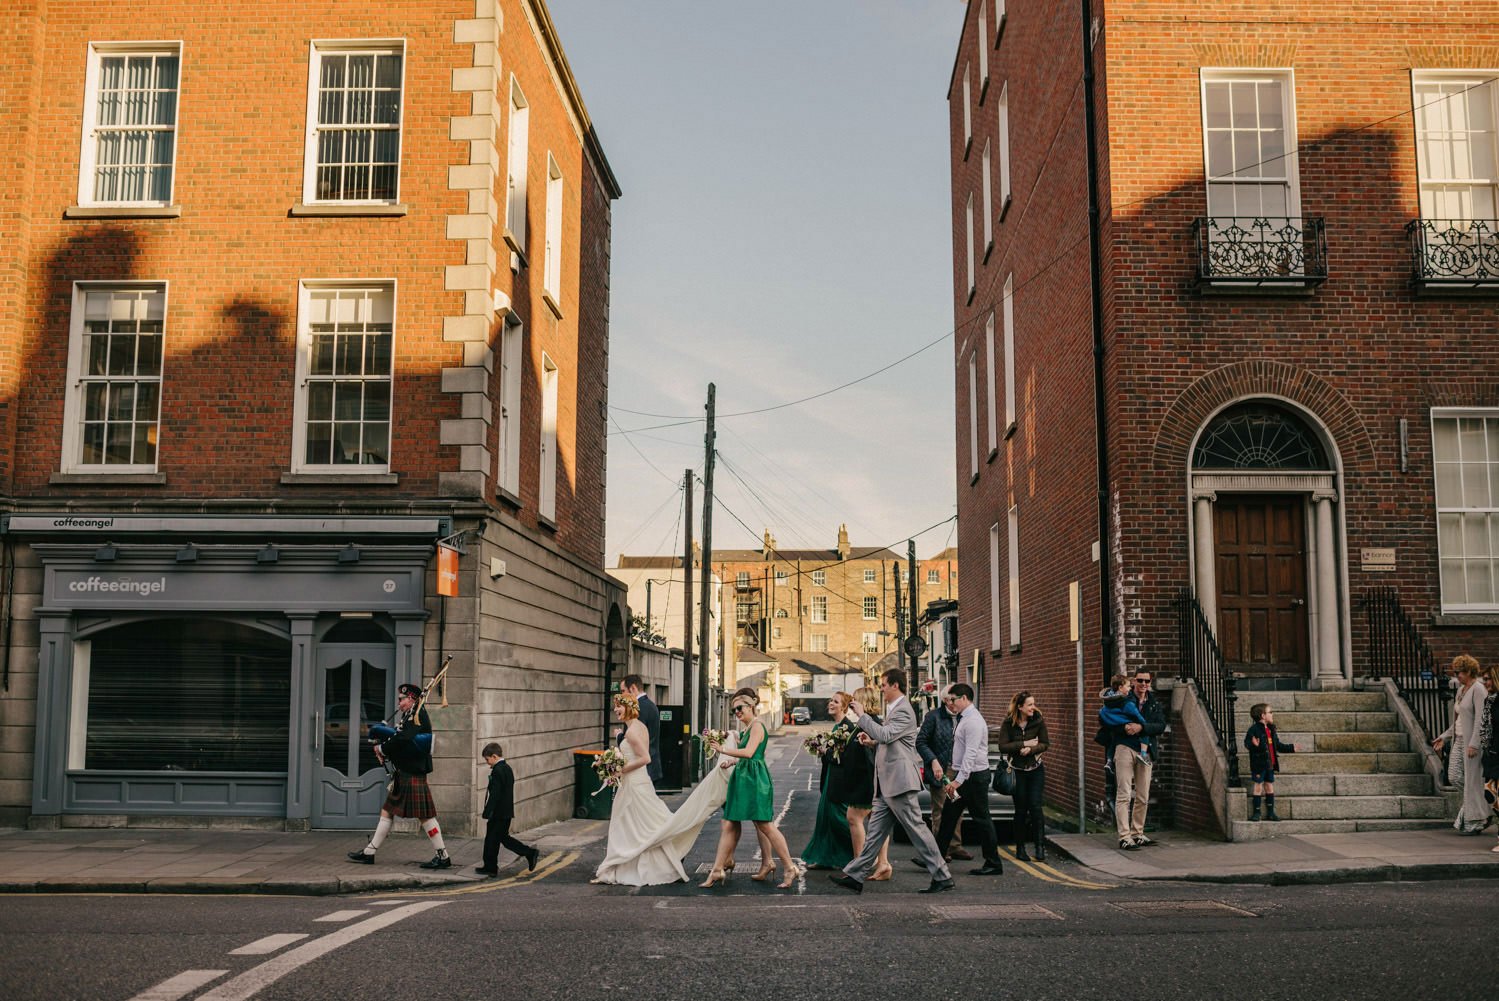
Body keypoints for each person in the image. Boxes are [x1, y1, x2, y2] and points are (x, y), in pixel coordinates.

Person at [829, 669, 955, 894]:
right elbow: (891, 741)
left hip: (900, 782)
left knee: (917, 830)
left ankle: (942, 876)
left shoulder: (904, 710)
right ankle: (856, 876)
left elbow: (886, 735)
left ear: (896, 685)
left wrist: (862, 716)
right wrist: (872, 742)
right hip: (887, 783)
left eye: (884, 685)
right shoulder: (895, 709)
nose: (882, 689)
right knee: (875, 834)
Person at [592, 694, 732, 885]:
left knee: (633, 826)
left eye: (619, 706)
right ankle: (667, 853)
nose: (615, 709)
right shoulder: (639, 727)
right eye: (615, 706)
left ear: (629, 707)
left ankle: (659, 855)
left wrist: (619, 770)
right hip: (640, 781)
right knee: (642, 825)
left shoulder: (632, 732)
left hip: (634, 784)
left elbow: (645, 758)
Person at [347, 682, 452, 869]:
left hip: (413, 772)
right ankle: (369, 852)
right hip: (405, 771)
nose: (399, 703)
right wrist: (384, 746)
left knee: (425, 816)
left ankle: (443, 856)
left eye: (401, 699)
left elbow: (404, 739)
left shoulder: (417, 714)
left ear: (411, 698)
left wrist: (382, 748)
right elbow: (399, 738)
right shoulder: (409, 714)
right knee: (387, 810)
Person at [703, 690, 800, 888]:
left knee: (765, 825)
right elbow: (746, 754)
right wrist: (732, 761)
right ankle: (718, 869)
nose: (737, 712)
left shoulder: (757, 726)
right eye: (734, 710)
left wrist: (722, 749)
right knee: (730, 821)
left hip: (755, 779)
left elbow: (749, 753)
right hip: (744, 777)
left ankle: (790, 867)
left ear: (751, 706)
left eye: (740, 708)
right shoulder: (748, 728)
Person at [932, 683, 1004, 875]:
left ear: (964, 698)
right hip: (966, 778)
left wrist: (958, 780)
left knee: (982, 819)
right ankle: (936, 859)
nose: (950, 703)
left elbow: (970, 754)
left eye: (953, 699)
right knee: (948, 817)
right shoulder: (965, 718)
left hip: (973, 779)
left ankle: (994, 863)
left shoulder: (973, 721)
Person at [830, 687, 893, 881]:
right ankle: (882, 864)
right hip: (868, 782)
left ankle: (859, 866)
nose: (852, 703)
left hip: (866, 783)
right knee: (878, 823)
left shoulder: (869, 724)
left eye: (855, 700)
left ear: (864, 701)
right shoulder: (868, 723)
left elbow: (871, 758)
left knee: (853, 818)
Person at [1434, 654, 1491, 835]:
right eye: (1456, 671)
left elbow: (1481, 719)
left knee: (1472, 780)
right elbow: (1459, 721)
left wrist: (1474, 744)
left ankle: (1477, 819)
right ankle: (1484, 810)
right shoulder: (1461, 690)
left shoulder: (1478, 689)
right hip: (1458, 740)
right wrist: (1444, 737)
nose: (1457, 675)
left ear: (1469, 671)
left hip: (1471, 743)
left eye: (1460, 672)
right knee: (1454, 776)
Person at [1110, 669, 1165, 851]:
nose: (1143, 684)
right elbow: (1108, 721)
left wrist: (1141, 728)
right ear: (1134, 681)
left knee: (1143, 795)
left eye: (1147, 681)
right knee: (1124, 793)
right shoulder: (1123, 699)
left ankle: (1137, 833)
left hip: (1146, 751)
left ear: (1150, 683)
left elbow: (1160, 725)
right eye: (1140, 680)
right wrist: (1124, 728)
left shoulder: (1153, 703)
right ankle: (1124, 837)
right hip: (1125, 747)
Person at [800, 693, 855, 870]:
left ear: (844, 707)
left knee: (838, 819)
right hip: (830, 777)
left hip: (839, 781)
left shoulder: (848, 727)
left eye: (835, 702)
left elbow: (845, 758)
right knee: (825, 820)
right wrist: (821, 749)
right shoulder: (837, 727)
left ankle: (864, 852)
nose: (831, 703)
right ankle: (825, 858)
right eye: (830, 700)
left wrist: (826, 752)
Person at [916, 684, 970, 861]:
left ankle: (955, 846)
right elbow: (921, 742)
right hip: (941, 770)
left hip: (958, 770)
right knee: (940, 810)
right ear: (945, 700)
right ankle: (940, 850)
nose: (955, 703)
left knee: (956, 809)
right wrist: (933, 761)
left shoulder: (964, 716)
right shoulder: (933, 717)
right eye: (952, 699)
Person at [997, 689, 1050, 861]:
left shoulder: (1038, 720)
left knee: (1036, 807)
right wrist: (1023, 744)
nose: (1033, 707)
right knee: (1020, 810)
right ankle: (1020, 848)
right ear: (1020, 707)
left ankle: (1039, 847)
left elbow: (1045, 744)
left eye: (1033, 704)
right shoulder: (1008, 723)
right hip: (1017, 771)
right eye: (1029, 705)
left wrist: (1032, 749)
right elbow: (1003, 746)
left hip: (1035, 770)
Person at [475, 742, 539, 876]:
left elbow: (495, 794)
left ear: (494, 756)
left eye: (487, 759)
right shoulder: (507, 768)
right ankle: (492, 866)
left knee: (492, 839)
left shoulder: (498, 771)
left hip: (498, 813)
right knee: (500, 838)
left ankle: (492, 867)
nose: (487, 763)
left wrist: (488, 811)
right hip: (505, 812)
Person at [1243, 703, 1296, 822]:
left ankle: (1271, 813)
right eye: (1270, 712)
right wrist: (1253, 745)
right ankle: (1257, 812)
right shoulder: (1254, 729)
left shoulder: (1271, 729)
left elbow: (1278, 745)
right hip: (1259, 764)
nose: (1272, 714)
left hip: (1270, 764)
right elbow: (1247, 743)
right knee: (1258, 786)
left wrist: (1292, 748)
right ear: (1263, 715)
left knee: (1269, 786)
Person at [619, 674, 663, 786]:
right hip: (652, 767)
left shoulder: (638, 708)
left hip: (643, 770)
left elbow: (635, 740)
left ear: (633, 688)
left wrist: (619, 736)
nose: (622, 695)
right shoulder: (651, 705)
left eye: (623, 691)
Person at [1477, 663, 1499, 853]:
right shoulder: (1489, 701)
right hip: (1492, 754)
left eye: (1487, 679)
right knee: (1489, 794)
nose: (1485, 682)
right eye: (1483, 679)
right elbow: (1485, 728)